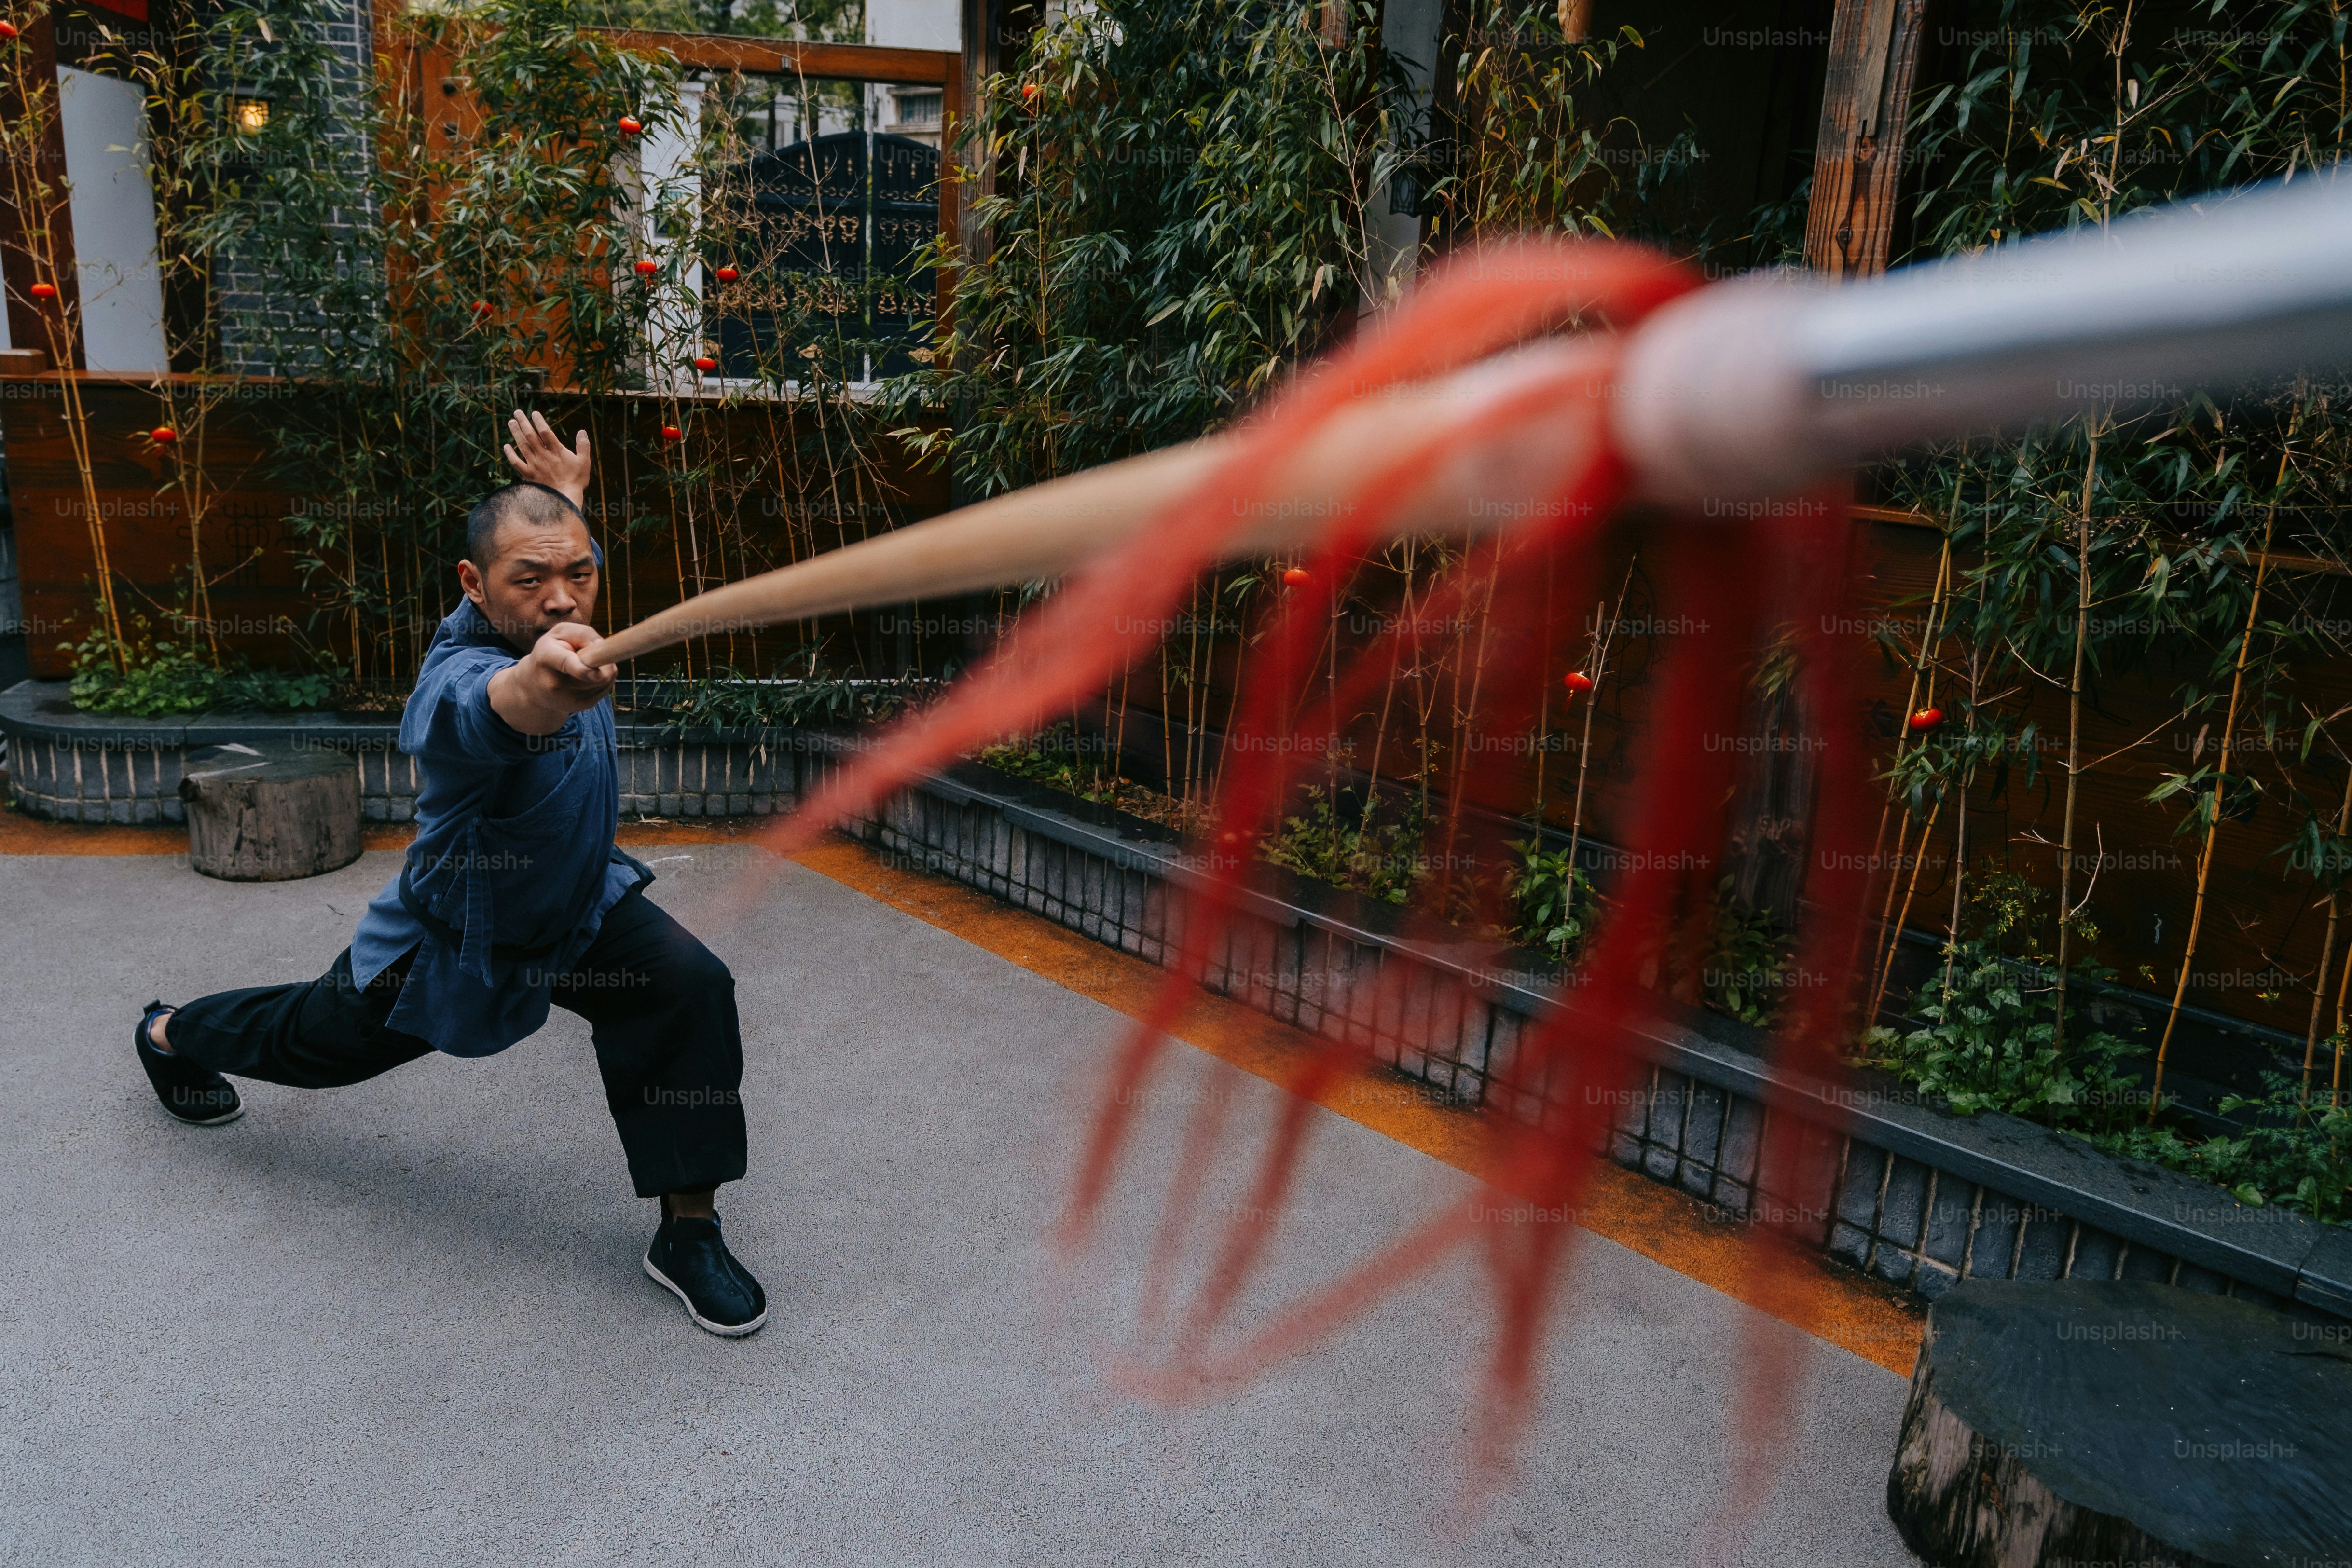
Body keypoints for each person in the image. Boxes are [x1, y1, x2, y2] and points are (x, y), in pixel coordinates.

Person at [133, 412, 766, 1336]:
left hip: (580, 910)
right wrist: (541, 690)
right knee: (314, 1043)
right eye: (531, 579)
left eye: (579, 572)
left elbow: (557, 565)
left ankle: (688, 1229)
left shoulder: (563, 588)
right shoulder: (459, 678)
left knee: (685, 990)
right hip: (453, 942)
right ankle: (171, 1033)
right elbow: (496, 705)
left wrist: (567, 510)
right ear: (475, 584)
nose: (561, 601)